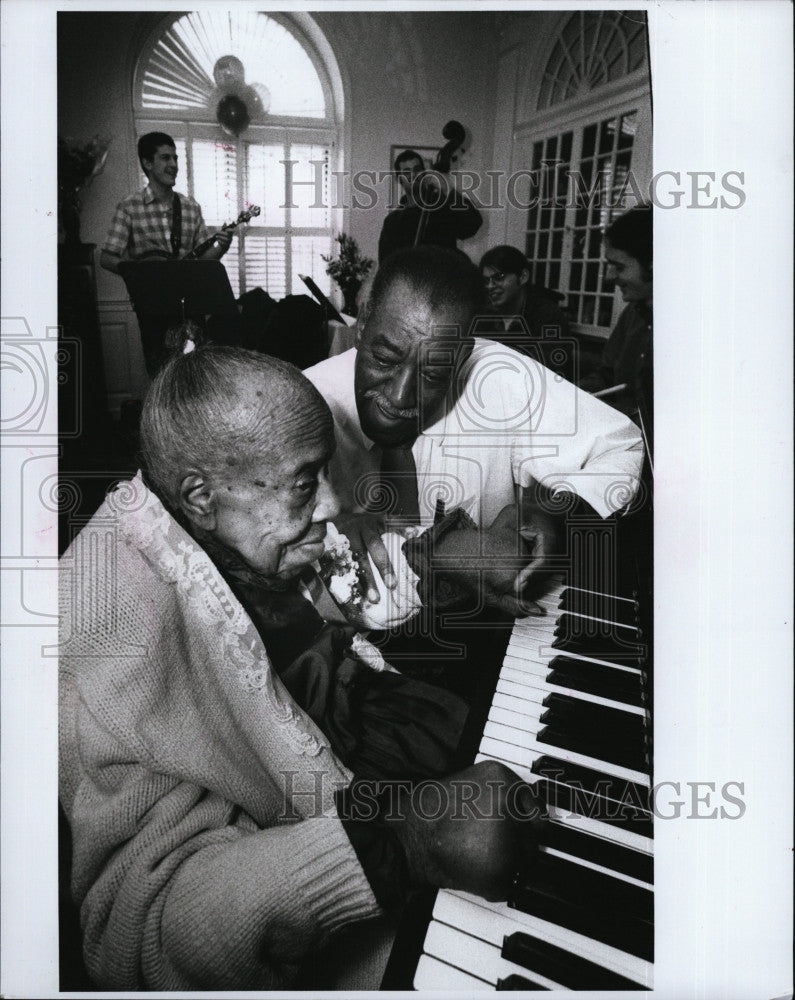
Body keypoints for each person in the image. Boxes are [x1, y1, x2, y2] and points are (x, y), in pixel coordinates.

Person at [58, 333, 545, 990]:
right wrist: (401, 843)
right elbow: (135, 939)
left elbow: (349, 574)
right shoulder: (109, 647)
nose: (330, 504)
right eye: (303, 484)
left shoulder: (233, 521)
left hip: (351, 744)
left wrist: (439, 555)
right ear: (200, 496)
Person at [305, 246, 645, 609]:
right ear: (361, 327)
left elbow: (622, 448)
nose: (401, 396)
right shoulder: (301, 404)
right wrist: (324, 534)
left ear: (464, 355)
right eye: (384, 359)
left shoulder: (501, 377)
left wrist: (550, 507)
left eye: (433, 374)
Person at [99, 131, 234, 376]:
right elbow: (106, 258)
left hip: (191, 308)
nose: (173, 165)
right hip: (153, 310)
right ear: (147, 163)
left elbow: (202, 264)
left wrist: (221, 247)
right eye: (165, 158)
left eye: (175, 158)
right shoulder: (129, 207)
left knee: (197, 375)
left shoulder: (191, 208)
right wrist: (142, 275)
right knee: (161, 375)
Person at [578, 204, 653, 426]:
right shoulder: (633, 314)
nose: (609, 277)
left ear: (654, 265)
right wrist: (568, 394)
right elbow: (607, 376)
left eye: (618, 267)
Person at [474, 244, 575, 380]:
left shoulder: (548, 316)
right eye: (486, 280)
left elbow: (544, 372)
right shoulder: (484, 315)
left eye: (499, 277)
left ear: (523, 277)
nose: (490, 286)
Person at [377, 148, 482, 263]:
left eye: (417, 169)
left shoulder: (442, 207)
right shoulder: (393, 221)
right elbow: (386, 265)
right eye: (406, 172)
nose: (413, 175)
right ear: (399, 179)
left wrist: (446, 188)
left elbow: (473, 224)